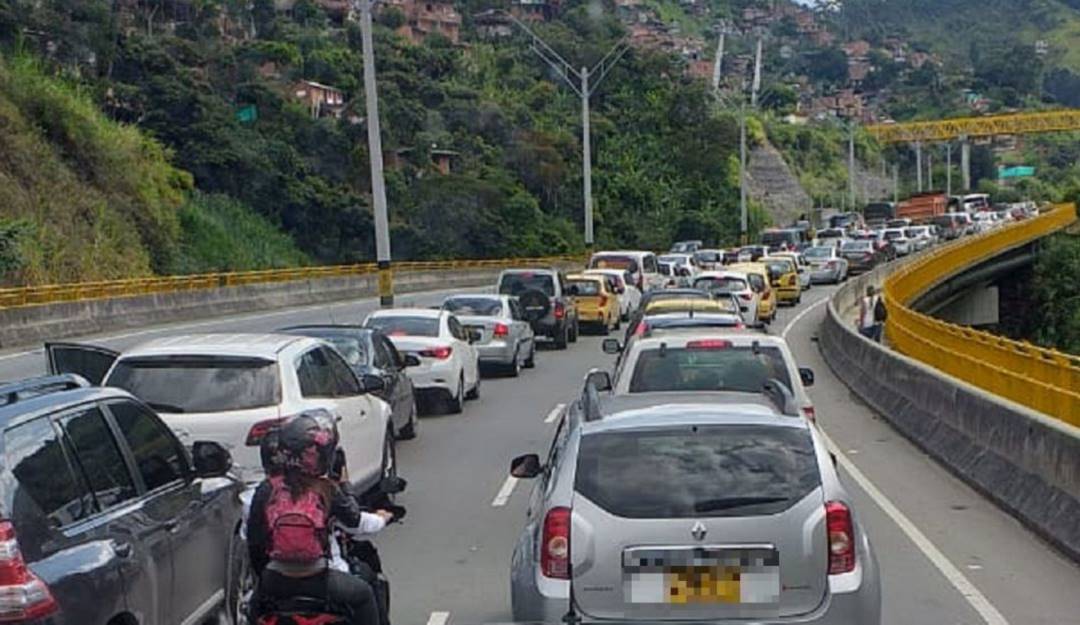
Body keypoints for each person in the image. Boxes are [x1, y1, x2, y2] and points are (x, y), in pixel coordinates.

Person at [247, 410, 387, 625]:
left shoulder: (266, 490)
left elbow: (254, 543)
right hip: (321, 580)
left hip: (275, 581)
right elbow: (356, 522)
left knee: (252, 612)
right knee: (364, 595)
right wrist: (383, 518)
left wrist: (265, 578)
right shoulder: (326, 489)